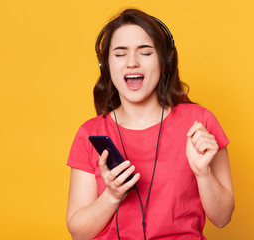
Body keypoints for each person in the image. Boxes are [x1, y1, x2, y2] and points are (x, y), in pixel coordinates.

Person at [66, 8, 234, 240]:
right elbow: (79, 234)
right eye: (120, 53)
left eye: (145, 52)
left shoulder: (199, 122)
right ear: (106, 66)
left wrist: (203, 173)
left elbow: (223, 217)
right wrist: (112, 195)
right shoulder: (90, 133)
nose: (132, 63)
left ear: (164, 61)